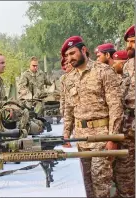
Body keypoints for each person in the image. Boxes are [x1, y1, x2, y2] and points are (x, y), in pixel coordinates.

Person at [62, 36, 123, 198]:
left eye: (72, 53)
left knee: (101, 185)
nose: (70, 58)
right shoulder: (69, 78)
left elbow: (115, 106)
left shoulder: (103, 71)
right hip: (81, 140)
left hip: (101, 137)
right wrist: (66, 133)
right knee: (87, 185)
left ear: (84, 50)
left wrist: (113, 138)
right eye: (67, 55)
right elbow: (69, 108)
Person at [113, 25, 135, 198]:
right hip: (129, 124)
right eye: (128, 41)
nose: (129, 45)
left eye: (133, 41)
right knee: (125, 167)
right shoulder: (127, 66)